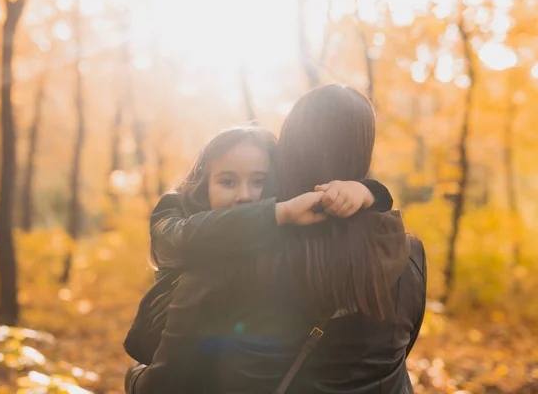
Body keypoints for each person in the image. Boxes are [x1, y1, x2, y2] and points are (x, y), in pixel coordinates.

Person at [132, 85, 426, 393]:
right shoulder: (408, 253)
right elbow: (399, 354)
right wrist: (371, 192)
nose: (244, 194)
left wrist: (134, 374)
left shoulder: (234, 252)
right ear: (365, 149)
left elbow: (165, 385)